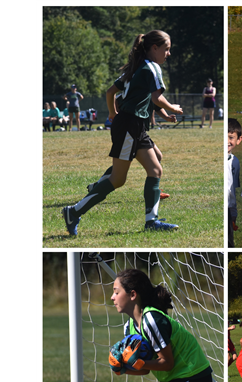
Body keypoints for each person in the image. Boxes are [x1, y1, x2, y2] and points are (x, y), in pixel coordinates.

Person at [62, 31, 183, 236]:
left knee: (155, 169)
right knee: (118, 179)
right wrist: (172, 108)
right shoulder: (151, 67)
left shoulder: (136, 68)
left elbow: (110, 92)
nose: (168, 53)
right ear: (154, 48)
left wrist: (112, 113)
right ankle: (73, 212)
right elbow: (156, 98)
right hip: (129, 126)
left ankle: (151, 221)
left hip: (133, 125)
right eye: (167, 49)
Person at [227, 118, 242, 247]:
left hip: (227, 209)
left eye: (231, 137)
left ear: (239, 140)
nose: (227, 141)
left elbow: (232, 191)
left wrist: (233, 212)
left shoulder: (235, 162)